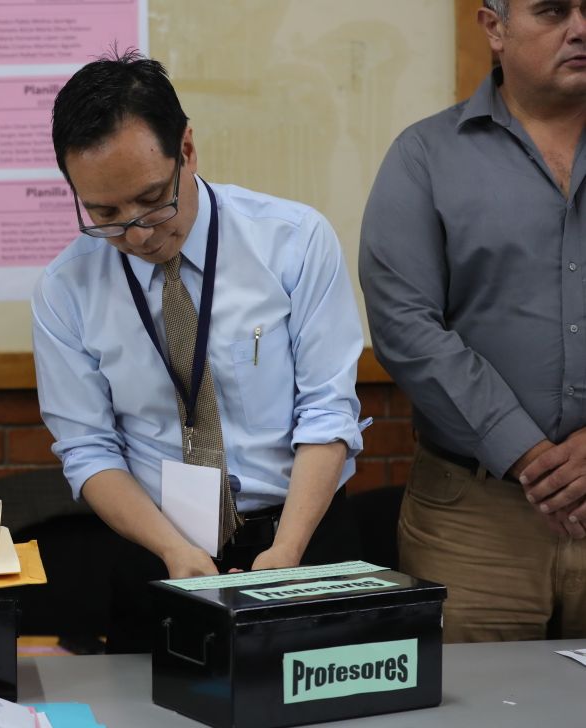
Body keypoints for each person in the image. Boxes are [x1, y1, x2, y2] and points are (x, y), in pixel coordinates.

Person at [32, 50, 368, 653]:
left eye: (152, 198)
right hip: (158, 550)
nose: (136, 233)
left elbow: (327, 410)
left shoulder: (292, 241)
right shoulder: (66, 289)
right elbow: (87, 449)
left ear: (186, 150)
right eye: (104, 213)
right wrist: (172, 550)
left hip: (303, 534)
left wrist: (287, 552)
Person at [360, 0, 586, 642]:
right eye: (551, 11)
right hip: (475, 522)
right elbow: (405, 325)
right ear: (494, 28)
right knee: (476, 707)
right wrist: (525, 450)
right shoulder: (426, 157)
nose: (581, 28)